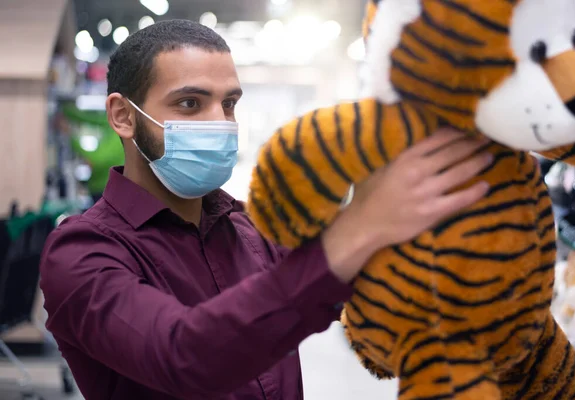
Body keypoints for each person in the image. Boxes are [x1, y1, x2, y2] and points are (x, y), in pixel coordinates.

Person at [39, 20, 493, 400]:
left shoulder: (249, 227)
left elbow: (357, 288)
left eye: (230, 104)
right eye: (190, 103)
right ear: (123, 116)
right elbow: (183, 355)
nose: (221, 123)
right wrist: (356, 231)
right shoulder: (81, 252)